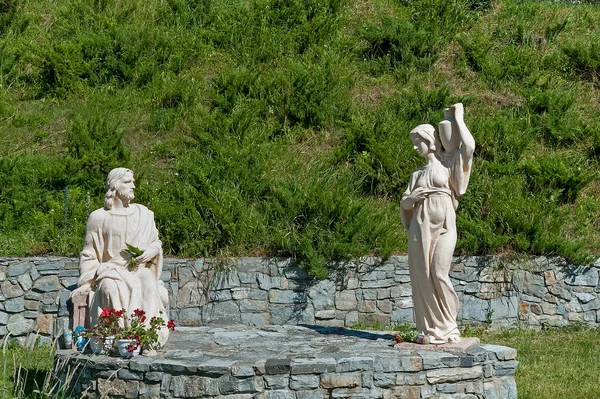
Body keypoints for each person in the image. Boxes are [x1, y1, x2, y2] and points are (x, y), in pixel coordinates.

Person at [400, 103, 475, 343]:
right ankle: (431, 327)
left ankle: (448, 324)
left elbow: (469, 147)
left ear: (430, 140)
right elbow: (404, 203)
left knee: (439, 272)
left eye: (417, 141)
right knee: (423, 274)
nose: (414, 147)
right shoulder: (416, 175)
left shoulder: (447, 162)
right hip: (420, 226)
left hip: (444, 223)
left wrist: (458, 118)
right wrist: (410, 200)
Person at [73, 167, 169, 346]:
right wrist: (88, 280)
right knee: (109, 288)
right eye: (128, 182)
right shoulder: (99, 217)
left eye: (133, 181)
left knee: (148, 279)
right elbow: (89, 253)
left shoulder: (144, 214)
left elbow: (156, 242)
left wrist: (152, 251)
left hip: (138, 269)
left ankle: (146, 334)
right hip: (111, 271)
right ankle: (117, 335)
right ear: (115, 186)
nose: (133, 185)